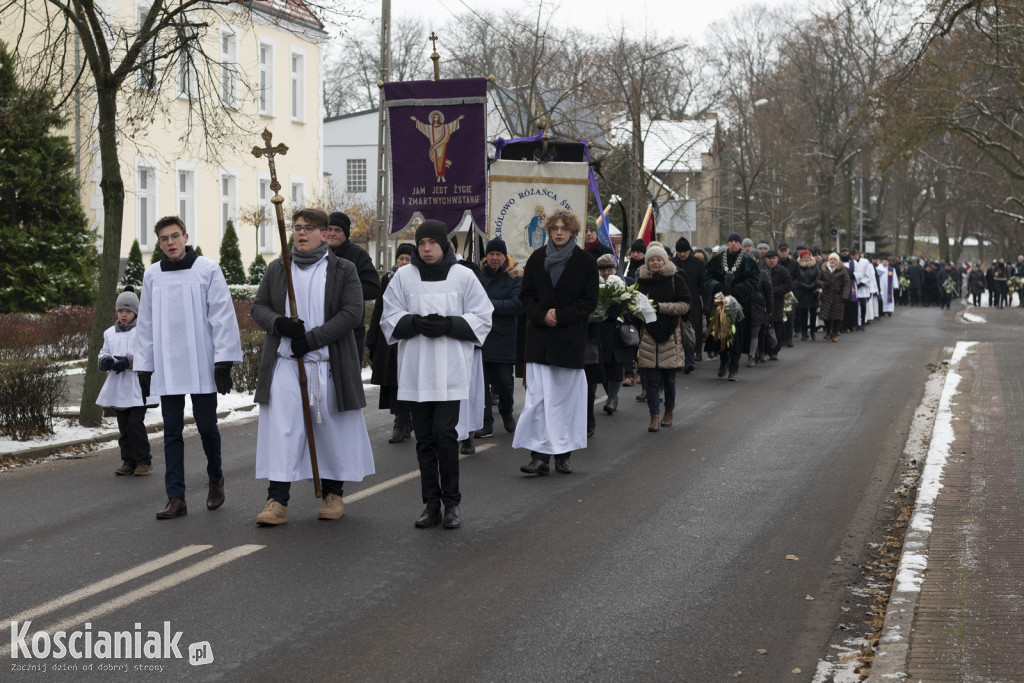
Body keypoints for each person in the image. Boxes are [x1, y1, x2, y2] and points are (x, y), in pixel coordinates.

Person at [249, 208, 375, 526]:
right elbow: (259, 306)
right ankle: (277, 500)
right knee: (283, 430)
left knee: (329, 430)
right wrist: (280, 324)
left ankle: (333, 494)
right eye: (297, 227)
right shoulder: (279, 268)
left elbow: (351, 313)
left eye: (309, 228)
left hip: (327, 366)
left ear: (324, 233)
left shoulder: (343, 269)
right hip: (286, 365)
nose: (301, 233)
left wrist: (313, 339)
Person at [380, 219, 493, 529]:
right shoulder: (404, 276)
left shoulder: (463, 276)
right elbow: (388, 316)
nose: (426, 248)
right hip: (416, 372)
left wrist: (450, 325)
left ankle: (452, 503)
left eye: (432, 242)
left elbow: (484, 316)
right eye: (421, 243)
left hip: (451, 371)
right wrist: (414, 323)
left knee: (445, 437)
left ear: (444, 244)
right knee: (425, 440)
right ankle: (431, 504)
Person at [135, 216, 242, 520]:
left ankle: (215, 478)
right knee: (171, 432)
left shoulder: (207, 269)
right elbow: (146, 322)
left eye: (175, 236)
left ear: (185, 236)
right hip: (168, 366)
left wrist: (223, 361)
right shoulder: (153, 274)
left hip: (201, 363)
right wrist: (144, 365)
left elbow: (222, 314)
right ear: (159, 243)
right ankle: (176, 497)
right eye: (164, 239)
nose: (170, 242)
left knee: (208, 428)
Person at [514, 210, 598, 475]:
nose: (559, 232)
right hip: (540, 342)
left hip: (569, 342)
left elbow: (589, 301)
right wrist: (542, 315)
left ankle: (562, 455)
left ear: (573, 231)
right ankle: (539, 457)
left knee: (564, 403)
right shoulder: (537, 259)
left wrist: (560, 316)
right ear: (548, 231)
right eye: (555, 228)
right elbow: (526, 297)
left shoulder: (585, 262)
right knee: (538, 401)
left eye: (564, 228)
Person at [97, 287, 155, 476]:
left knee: (135, 423)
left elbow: (147, 354)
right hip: (119, 387)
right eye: (121, 311)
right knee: (123, 426)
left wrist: (128, 361)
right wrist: (105, 361)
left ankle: (143, 460)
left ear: (135, 313)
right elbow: (104, 351)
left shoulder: (142, 331)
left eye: (128, 311)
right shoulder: (109, 333)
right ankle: (128, 460)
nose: (124, 315)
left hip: (138, 386)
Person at [635, 244, 689, 432]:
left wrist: (659, 307)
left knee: (669, 380)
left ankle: (669, 411)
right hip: (648, 334)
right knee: (650, 379)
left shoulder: (676, 279)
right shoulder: (640, 282)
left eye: (658, 259)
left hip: (671, 333)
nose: (655, 262)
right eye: (651, 260)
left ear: (664, 261)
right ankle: (654, 415)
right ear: (647, 262)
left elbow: (684, 306)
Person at [366, 243, 416, 443]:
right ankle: (400, 421)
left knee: (407, 379)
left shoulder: (418, 279)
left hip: (410, 335)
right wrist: (373, 338)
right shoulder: (388, 278)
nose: (403, 263)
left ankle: (407, 419)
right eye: (401, 258)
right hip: (390, 336)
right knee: (394, 380)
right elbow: (379, 308)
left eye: (408, 259)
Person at [471, 238, 522, 438]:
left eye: (498, 255)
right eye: (491, 254)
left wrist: (487, 305)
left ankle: (507, 412)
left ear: (505, 256)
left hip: (504, 338)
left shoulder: (515, 277)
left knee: (504, 382)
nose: (494, 258)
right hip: (481, 337)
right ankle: (486, 424)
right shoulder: (477, 276)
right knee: (481, 384)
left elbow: (517, 306)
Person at [325, 212, 381, 361]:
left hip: (351, 331)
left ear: (346, 234)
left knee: (349, 380)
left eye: (337, 230)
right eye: (329, 229)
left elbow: (374, 288)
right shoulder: (317, 254)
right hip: (321, 328)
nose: (332, 233)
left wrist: (344, 292)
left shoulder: (358, 255)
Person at [704, 233, 760, 381]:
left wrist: (738, 290)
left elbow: (754, 280)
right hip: (720, 301)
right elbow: (707, 277)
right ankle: (723, 361)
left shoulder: (748, 261)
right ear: (727, 244)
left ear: (740, 245)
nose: (733, 244)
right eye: (731, 241)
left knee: (737, 335)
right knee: (721, 332)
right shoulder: (717, 260)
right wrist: (718, 286)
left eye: (736, 242)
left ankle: (734, 367)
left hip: (740, 303)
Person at [595, 254, 633, 415]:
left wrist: (620, 309)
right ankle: (611, 396)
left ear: (615, 269)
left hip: (617, 332)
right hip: (599, 331)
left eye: (610, 269)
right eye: (603, 269)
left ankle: (612, 398)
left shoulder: (625, 283)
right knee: (602, 367)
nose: (606, 273)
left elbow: (633, 306)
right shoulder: (594, 285)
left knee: (616, 367)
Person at [672, 237, 706, 373]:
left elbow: (703, 285)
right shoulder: (672, 263)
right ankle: (680, 360)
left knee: (690, 332)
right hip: (677, 302)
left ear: (689, 251)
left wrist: (706, 302)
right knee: (678, 333)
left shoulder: (698, 263)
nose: (682, 254)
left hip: (693, 303)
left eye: (685, 251)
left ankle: (690, 359)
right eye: (680, 252)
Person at [764, 251, 792, 360]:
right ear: (765, 259)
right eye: (769, 258)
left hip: (777, 302)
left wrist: (772, 291)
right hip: (764, 302)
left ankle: (775, 350)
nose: (771, 260)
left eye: (773, 258)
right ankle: (765, 349)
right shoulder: (762, 270)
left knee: (777, 326)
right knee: (765, 327)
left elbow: (788, 286)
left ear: (777, 259)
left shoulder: (783, 271)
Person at [819, 253, 851, 342]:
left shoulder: (842, 270)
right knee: (826, 316)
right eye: (831, 259)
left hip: (838, 296)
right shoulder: (824, 269)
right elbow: (818, 280)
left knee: (837, 317)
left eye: (834, 259)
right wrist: (823, 284)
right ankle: (828, 331)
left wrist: (845, 295)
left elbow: (846, 283)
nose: (832, 260)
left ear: (838, 260)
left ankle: (835, 333)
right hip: (827, 296)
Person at [793, 249, 822, 340]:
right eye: (804, 257)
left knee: (813, 313)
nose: (806, 259)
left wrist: (813, 285)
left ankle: (813, 331)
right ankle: (804, 332)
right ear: (801, 258)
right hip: (802, 292)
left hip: (813, 292)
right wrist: (804, 285)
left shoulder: (815, 265)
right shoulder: (797, 266)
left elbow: (819, 276)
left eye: (808, 257)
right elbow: (796, 278)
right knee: (803, 314)